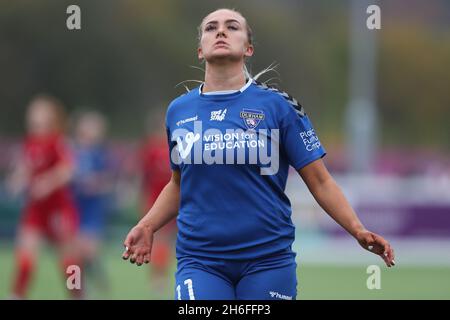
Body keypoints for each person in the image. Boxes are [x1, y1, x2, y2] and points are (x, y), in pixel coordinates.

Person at [122, 8, 395, 300]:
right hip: (200, 261)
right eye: (211, 27)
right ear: (200, 49)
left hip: (268, 261)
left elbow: (320, 182)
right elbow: (178, 184)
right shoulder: (179, 111)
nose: (221, 31)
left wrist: (357, 230)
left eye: (232, 27)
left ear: (248, 48)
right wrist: (147, 225)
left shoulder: (279, 107)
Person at [8, 94, 81, 299]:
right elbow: (25, 168)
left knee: (67, 260)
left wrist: (48, 183)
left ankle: (77, 293)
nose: (34, 116)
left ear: (50, 117)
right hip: (36, 210)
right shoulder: (30, 142)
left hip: (58, 208)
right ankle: (17, 294)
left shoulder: (57, 141)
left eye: (39, 112)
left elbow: (68, 169)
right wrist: (17, 180)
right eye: (32, 112)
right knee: (25, 253)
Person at [71, 111, 112, 297]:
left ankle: (95, 276)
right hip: (74, 208)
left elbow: (107, 181)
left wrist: (94, 184)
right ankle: (79, 289)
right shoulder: (71, 152)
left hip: (93, 210)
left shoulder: (99, 155)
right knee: (76, 254)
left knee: (89, 252)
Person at [138, 112, 176, 296]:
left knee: (171, 241)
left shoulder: (175, 146)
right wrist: (143, 200)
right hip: (158, 201)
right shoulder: (150, 150)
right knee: (160, 240)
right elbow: (144, 177)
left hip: (178, 199)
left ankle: (163, 278)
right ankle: (158, 280)